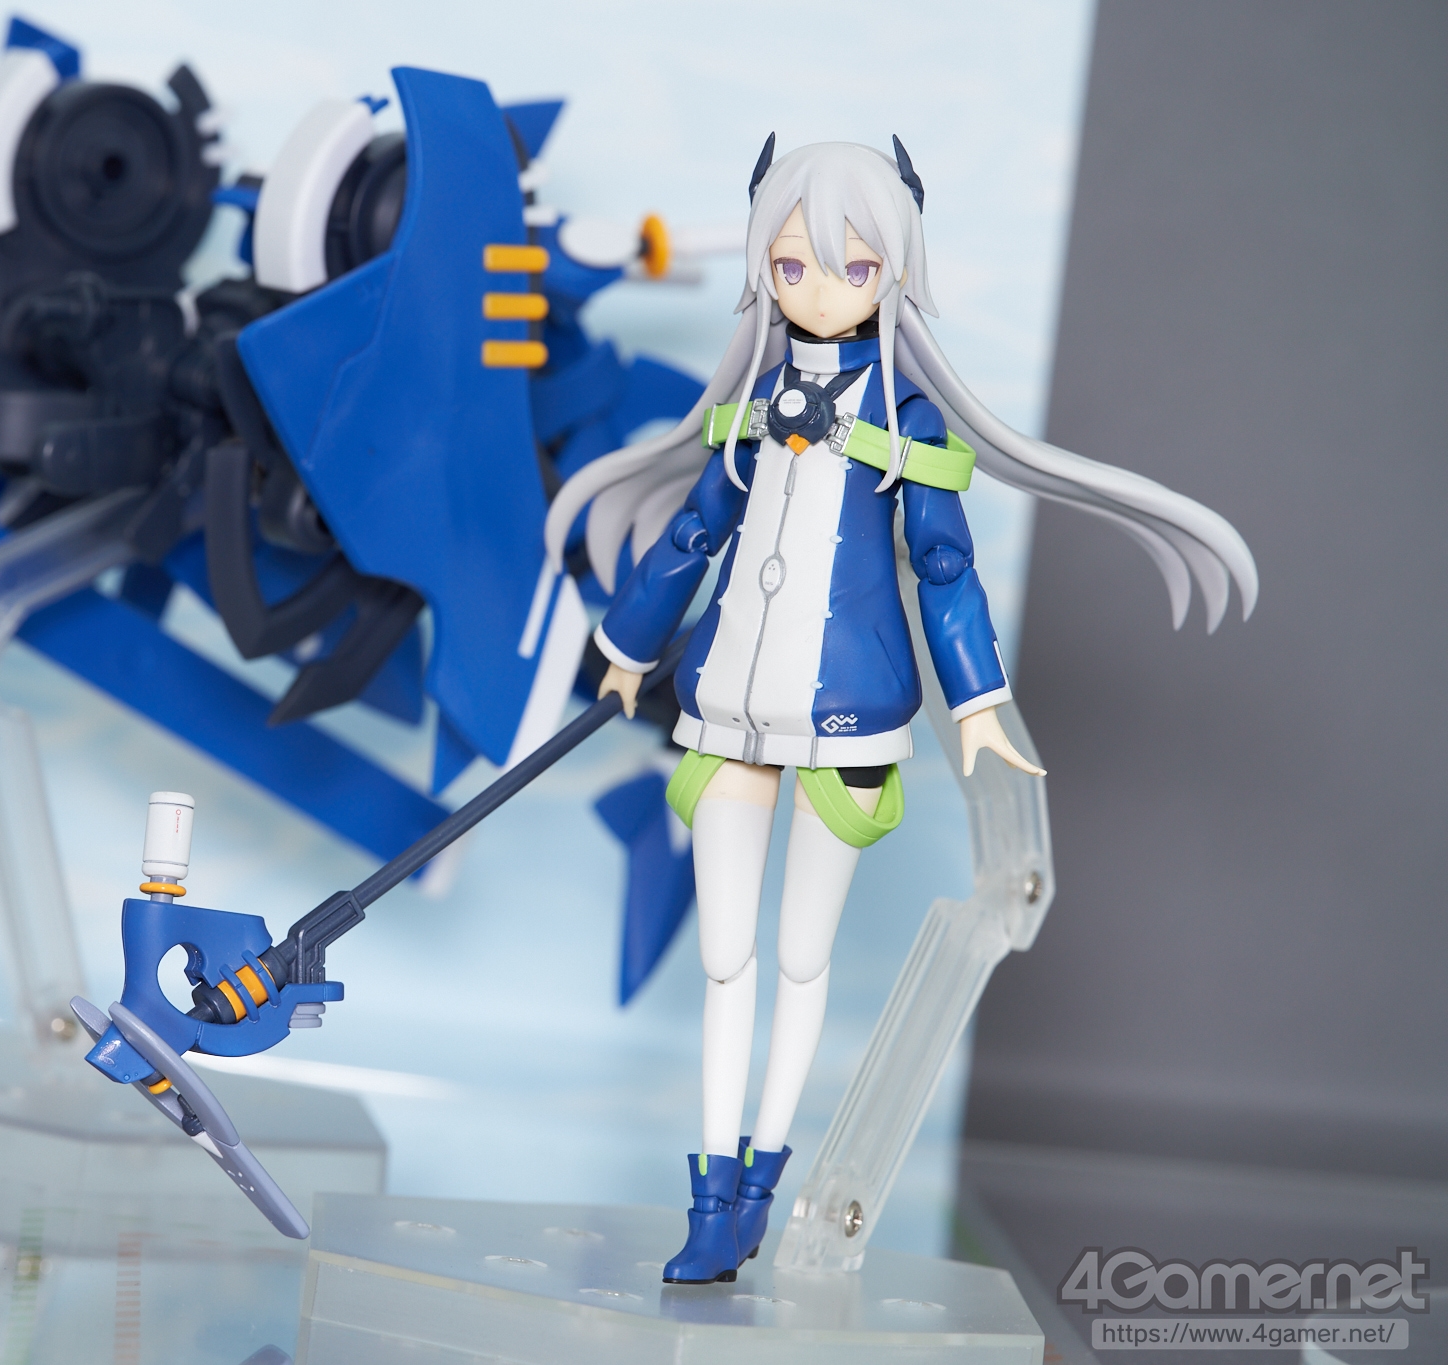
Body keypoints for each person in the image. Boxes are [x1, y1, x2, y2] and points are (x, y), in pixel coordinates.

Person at [537, 136, 1257, 1284]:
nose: (817, 290)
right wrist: (625, 647)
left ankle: (760, 1182)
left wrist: (977, 703)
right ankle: (709, 1196)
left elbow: (943, 565)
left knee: (799, 959)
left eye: (851, 267)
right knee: (724, 959)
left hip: (845, 717)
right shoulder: (751, 401)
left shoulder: (908, 419)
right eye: (790, 266)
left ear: (894, 269)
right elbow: (690, 532)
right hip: (725, 701)